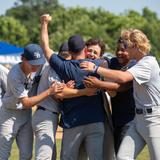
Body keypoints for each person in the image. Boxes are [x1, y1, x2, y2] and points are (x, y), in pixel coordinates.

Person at [80, 28, 160, 160]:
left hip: (153, 119)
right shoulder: (139, 63)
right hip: (138, 120)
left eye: (127, 46)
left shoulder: (148, 63)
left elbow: (122, 78)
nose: (125, 50)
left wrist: (95, 68)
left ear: (135, 45)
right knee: (122, 157)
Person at [40, 14, 107, 160]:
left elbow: (45, 47)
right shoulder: (97, 65)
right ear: (85, 48)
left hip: (74, 122)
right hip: (96, 121)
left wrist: (44, 23)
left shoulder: (64, 66)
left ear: (69, 52)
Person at [0, 44, 64, 160]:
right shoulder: (15, 74)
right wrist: (49, 91)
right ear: (23, 59)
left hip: (26, 114)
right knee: (3, 153)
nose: (36, 66)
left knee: (27, 155)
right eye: (32, 63)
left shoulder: (40, 65)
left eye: (38, 62)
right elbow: (26, 102)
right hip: (9, 114)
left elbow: (49, 51)